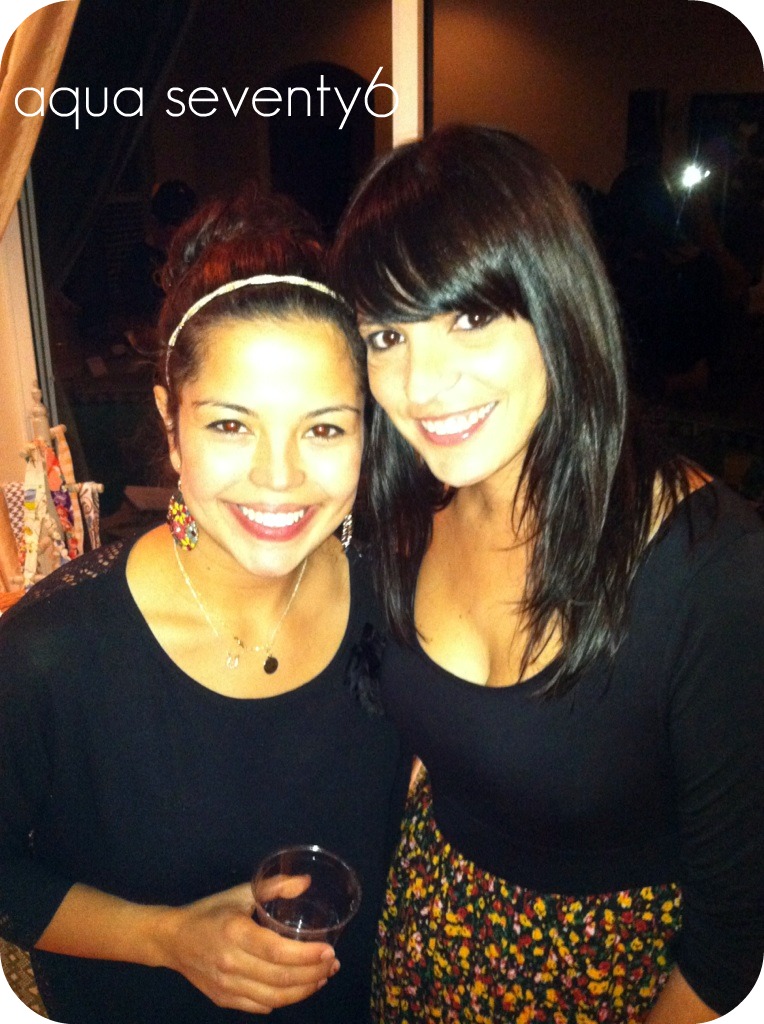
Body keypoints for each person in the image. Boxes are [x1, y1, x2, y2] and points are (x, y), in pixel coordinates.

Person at [329, 125, 764, 1023]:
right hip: (417, 950)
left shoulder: (711, 570)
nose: (421, 385)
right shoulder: (405, 507)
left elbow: (732, 947)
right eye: (387, 335)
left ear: (558, 304)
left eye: (469, 318)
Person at [0, 185, 408, 1024]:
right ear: (171, 421)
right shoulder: (52, 651)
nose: (279, 476)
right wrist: (166, 938)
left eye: (324, 428)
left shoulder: (402, 605)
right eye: (230, 425)